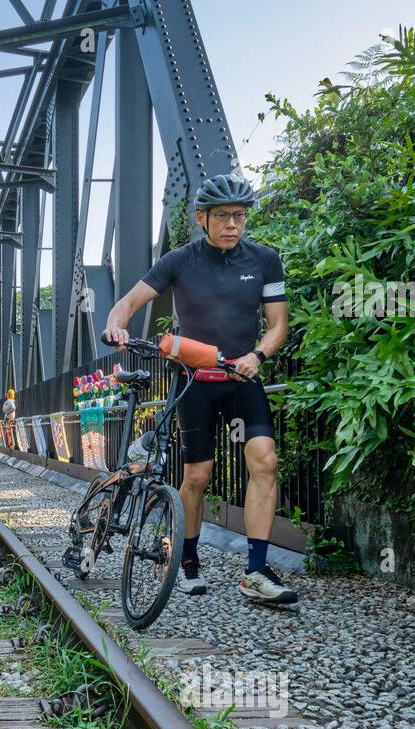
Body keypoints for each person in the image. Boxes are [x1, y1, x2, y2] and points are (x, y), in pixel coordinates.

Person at [102, 173, 299, 607]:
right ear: (202, 218)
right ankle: (187, 561)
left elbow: (279, 324)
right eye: (224, 216)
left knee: (265, 461)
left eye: (241, 216)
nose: (233, 224)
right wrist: (116, 326)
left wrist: (258, 356)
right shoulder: (179, 261)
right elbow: (129, 302)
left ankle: (256, 572)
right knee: (197, 476)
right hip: (194, 381)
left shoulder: (265, 259)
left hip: (243, 378)